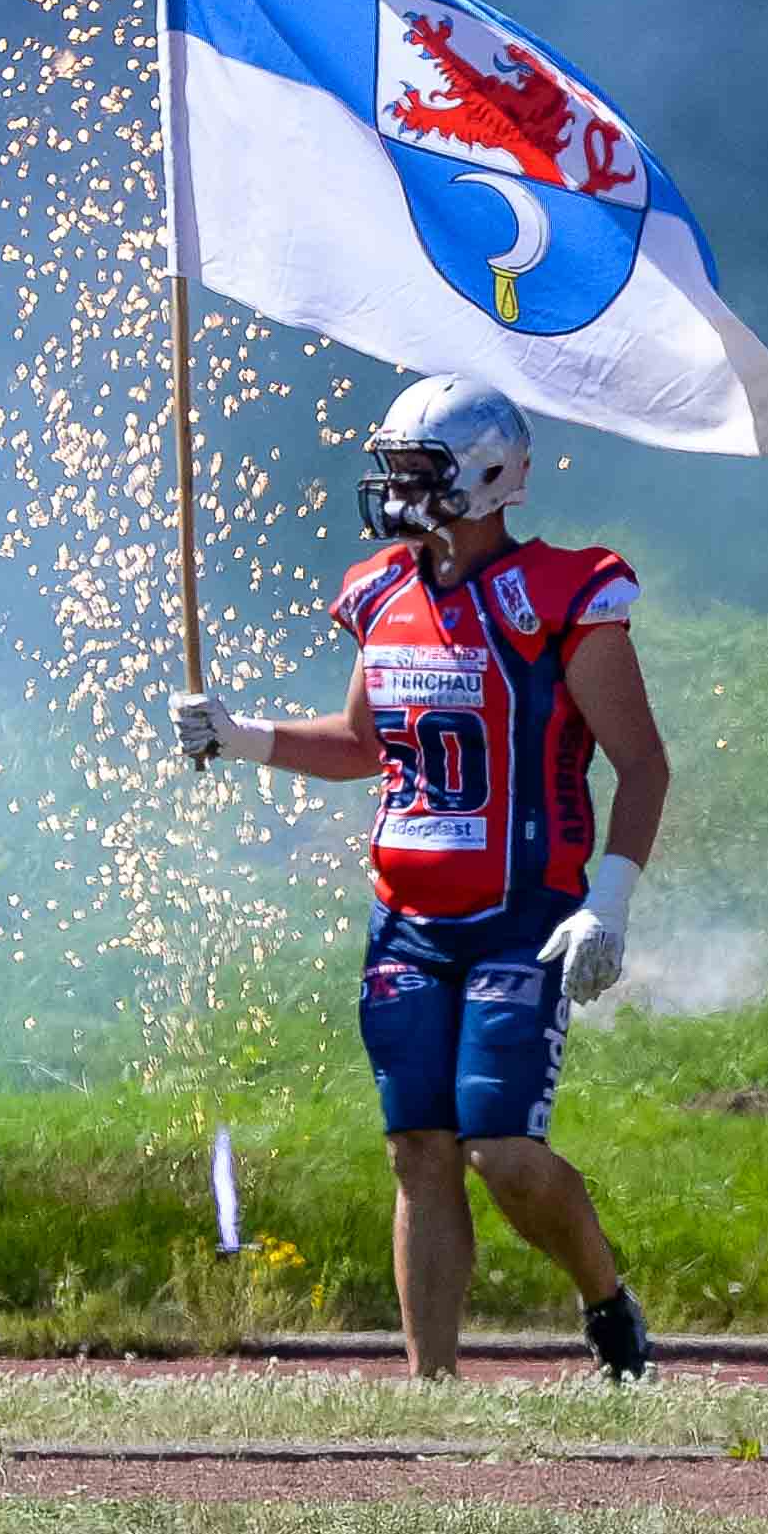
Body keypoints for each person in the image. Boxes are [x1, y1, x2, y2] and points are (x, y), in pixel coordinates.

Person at [174, 376, 665, 1384]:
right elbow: (361, 743)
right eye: (393, 467)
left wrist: (608, 899)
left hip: (520, 913)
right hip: (404, 920)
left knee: (504, 1153)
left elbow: (643, 761)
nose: (397, 488)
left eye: (419, 469)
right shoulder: (382, 590)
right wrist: (242, 735)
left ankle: (607, 1300)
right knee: (419, 1151)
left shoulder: (566, 594)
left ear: (488, 478)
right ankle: (430, 1387)